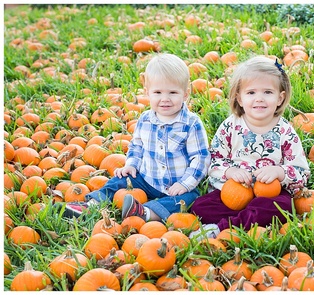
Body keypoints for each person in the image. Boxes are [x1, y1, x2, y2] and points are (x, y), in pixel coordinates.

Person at [62, 53, 211, 222]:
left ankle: (145, 213)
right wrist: (131, 165)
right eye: (158, 92)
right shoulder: (145, 119)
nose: (165, 99)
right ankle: (93, 204)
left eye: (172, 92)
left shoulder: (191, 123)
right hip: (146, 179)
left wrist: (185, 184)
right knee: (119, 180)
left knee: (189, 198)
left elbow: (201, 158)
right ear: (147, 92)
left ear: (185, 94)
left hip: (176, 185)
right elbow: (137, 146)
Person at [189, 56, 310, 239]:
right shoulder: (230, 127)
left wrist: (279, 171)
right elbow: (214, 160)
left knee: (283, 207)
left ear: (280, 97)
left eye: (268, 92)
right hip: (233, 193)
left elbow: (301, 170)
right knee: (200, 206)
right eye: (251, 92)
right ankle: (246, 220)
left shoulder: (285, 131)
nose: (259, 99)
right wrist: (230, 172)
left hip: (269, 195)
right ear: (239, 97)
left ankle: (221, 228)